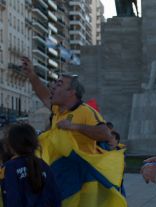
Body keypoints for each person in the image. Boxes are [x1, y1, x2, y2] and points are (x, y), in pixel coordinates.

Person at [21, 57, 127, 206]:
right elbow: (42, 93)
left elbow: (105, 134)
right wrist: (31, 74)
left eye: (59, 84)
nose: (53, 87)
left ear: (71, 92)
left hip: (83, 179)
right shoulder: (57, 110)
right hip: (61, 175)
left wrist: (74, 127)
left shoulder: (86, 111)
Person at [0, 123, 61, 207]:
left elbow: (12, 199)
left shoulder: (9, 168)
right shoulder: (44, 165)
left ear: (10, 145)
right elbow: (55, 197)